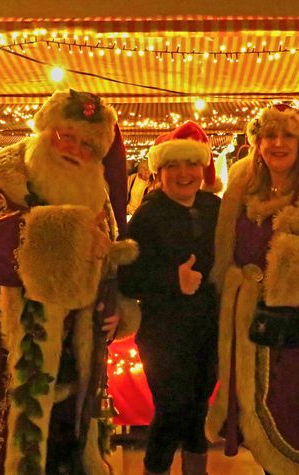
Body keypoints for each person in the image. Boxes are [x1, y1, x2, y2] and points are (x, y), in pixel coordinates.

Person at [0, 89, 139, 475]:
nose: (75, 149)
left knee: (67, 448)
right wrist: (73, 234)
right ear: (46, 130)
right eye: (66, 136)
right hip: (10, 353)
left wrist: (112, 307)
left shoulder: (96, 191)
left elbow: (104, 260)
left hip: (75, 351)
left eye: (88, 145)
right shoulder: (2, 180)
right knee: (14, 451)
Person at [205, 104, 299, 475]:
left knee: (291, 414)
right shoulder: (242, 183)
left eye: (288, 135)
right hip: (248, 323)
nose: (278, 143)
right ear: (257, 143)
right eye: (269, 135)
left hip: (298, 328)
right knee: (254, 409)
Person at [118, 121, 222, 475]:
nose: (184, 173)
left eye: (191, 164)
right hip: (164, 334)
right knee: (172, 408)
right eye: (173, 165)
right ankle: (156, 468)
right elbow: (127, 278)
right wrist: (172, 280)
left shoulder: (214, 207)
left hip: (209, 329)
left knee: (198, 408)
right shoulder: (147, 215)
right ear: (159, 172)